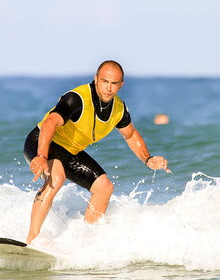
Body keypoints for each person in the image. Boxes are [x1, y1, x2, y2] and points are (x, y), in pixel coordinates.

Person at [23, 60, 171, 245]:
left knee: (104, 188)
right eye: (104, 81)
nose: (109, 88)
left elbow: (131, 134)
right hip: (42, 142)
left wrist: (147, 159)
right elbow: (50, 122)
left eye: (114, 83)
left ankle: (86, 244)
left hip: (71, 151)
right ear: (96, 79)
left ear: (121, 85)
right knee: (57, 176)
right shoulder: (77, 99)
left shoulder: (118, 109)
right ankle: (32, 240)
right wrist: (42, 156)